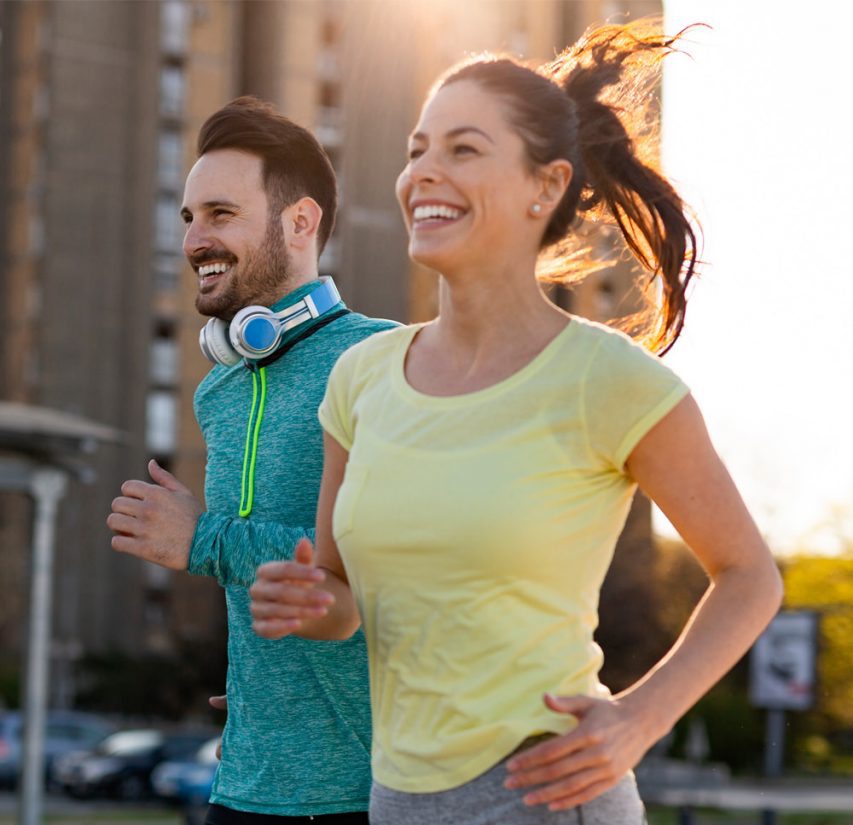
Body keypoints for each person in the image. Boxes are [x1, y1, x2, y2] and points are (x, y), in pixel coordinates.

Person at [248, 20, 783, 825]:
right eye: (416, 148)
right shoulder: (358, 379)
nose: (424, 172)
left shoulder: (606, 379)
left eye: (462, 150)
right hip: (395, 796)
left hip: (545, 793)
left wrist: (638, 719)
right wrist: (299, 602)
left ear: (545, 185)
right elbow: (342, 597)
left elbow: (749, 576)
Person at [107, 97, 396, 824]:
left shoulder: (385, 360)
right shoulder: (219, 391)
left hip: (363, 792)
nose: (193, 240)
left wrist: (203, 540)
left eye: (219, 214)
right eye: (186, 218)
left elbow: (388, 561)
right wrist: (268, 675)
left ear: (300, 222)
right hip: (241, 783)